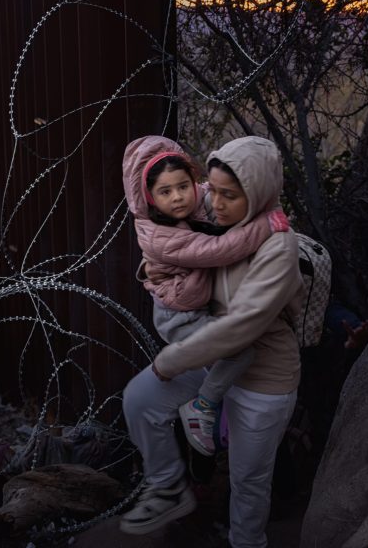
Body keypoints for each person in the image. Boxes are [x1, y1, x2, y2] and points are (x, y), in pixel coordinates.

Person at [121, 137, 304, 548]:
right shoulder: (215, 222)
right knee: (138, 400)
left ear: (256, 194)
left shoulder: (277, 244)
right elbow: (174, 243)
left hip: (261, 378)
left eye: (228, 195)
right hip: (214, 360)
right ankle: (168, 487)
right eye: (214, 191)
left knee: (248, 480)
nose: (215, 203)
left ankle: (247, 542)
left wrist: (170, 361)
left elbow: (242, 326)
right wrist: (157, 273)